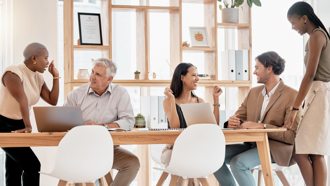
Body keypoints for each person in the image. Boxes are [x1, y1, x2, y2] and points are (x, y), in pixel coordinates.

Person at [213, 51, 301, 186]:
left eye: (257, 67)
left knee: (238, 163)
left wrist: (262, 126)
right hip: (252, 145)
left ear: (269, 68)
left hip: (276, 149)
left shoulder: (292, 95)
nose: (254, 72)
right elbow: (239, 117)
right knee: (213, 155)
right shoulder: (254, 92)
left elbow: (290, 135)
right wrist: (231, 122)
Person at [64, 58, 140, 186]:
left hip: (108, 150)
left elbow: (128, 121)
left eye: (98, 74)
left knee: (132, 163)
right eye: (92, 72)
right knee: (80, 172)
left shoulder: (120, 93)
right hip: (81, 150)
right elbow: (63, 121)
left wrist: (101, 127)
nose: (92, 77)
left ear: (109, 79)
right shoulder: (76, 95)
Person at [0, 42, 60, 186]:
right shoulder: (12, 72)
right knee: (32, 165)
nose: (47, 62)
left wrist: (55, 77)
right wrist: (28, 126)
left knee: (14, 169)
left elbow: (52, 100)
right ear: (34, 58)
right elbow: (22, 99)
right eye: (45, 58)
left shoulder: (38, 77)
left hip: (19, 124)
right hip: (3, 124)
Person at [285, 2, 330, 186]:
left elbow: (310, 75)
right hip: (317, 94)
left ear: (304, 18)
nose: (292, 27)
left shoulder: (317, 35)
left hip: (319, 94)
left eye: (293, 22)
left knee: (310, 151)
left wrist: (294, 108)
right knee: (308, 150)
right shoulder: (317, 35)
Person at [161, 62, 223, 166]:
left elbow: (214, 126)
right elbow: (175, 126)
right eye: (194, 75)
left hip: (195, 147)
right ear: (182, 77)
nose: (197, 79)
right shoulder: (168, 101)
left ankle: (191, 181)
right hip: (174, 147)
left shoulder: (200, 101)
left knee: (193, 160)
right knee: (181, 160)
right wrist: (172, 99)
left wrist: (216, 99)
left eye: (197, 75)